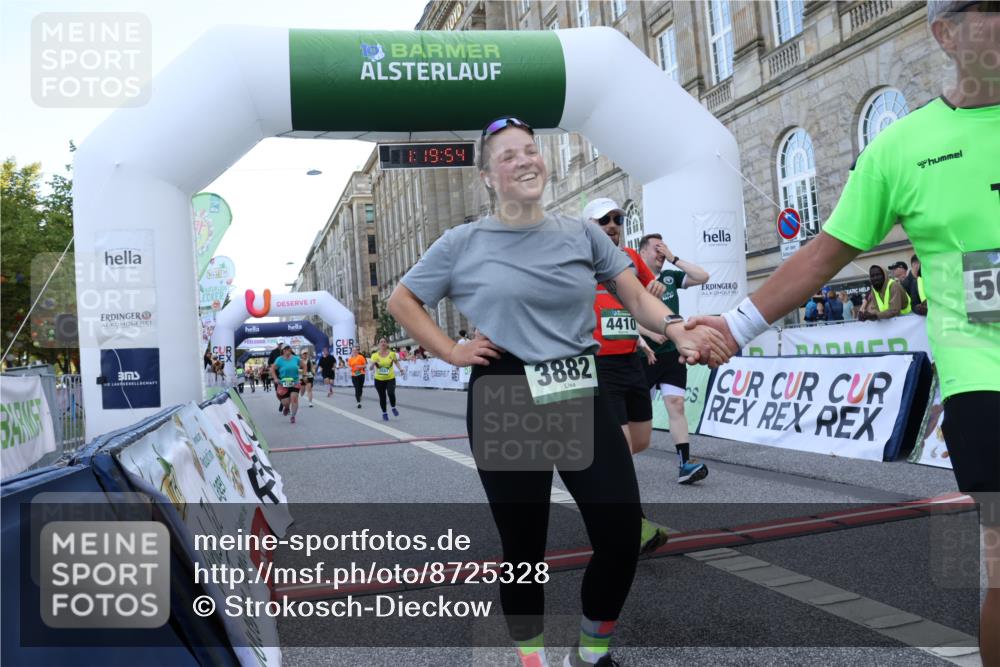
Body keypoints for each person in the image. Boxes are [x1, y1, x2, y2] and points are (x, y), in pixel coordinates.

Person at [686, 3, 999, 661]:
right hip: (984, 374)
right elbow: (823, 255)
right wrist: (737, 325)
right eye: (989, 9)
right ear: (944, 32)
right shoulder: (901, 147)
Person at [388, 116, 730, 667]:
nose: (525, 160)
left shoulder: (582, 233)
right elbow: (403, 301)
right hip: (505, 393)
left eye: (531, 150)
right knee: (525, 551)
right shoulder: (462, 242)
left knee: (621, 534)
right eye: (508, 156)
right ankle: (532, 660)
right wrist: (451, 352)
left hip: (575, 385)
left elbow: (635, 295)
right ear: (486, 178)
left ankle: (591, 655)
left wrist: (672, 327)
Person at [583, 198, 669, 554]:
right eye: (603, 220)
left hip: (631, 361)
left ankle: (596, 482)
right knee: (619, 453)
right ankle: (634, 524)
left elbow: (648, 298)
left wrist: (657, 292)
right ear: (589, 226)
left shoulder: (632, 260)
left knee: (640, 442)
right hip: (600, 366)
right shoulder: (578, 263)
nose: (613, 225)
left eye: (617, 218)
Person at [638, 232, 711, 485]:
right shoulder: (634, 280)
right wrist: (649, 333)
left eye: (663, 248)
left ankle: (684, 464)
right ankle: (614, 466)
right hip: (643, 356)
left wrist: (674, 258)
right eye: (656, 249)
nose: (660, 253)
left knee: (676, 405)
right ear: (643, 252)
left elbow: (703, 276)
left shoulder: (670, 277)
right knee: (634, 415)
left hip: (671, 355)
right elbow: (624, 316)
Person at [369, 337, 405, 421]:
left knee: (391, 393)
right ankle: (384, 413)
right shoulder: (374, 355)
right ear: (378, 345)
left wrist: (400, 369)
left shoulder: (392, 354)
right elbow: (370, 368)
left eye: (384, 342)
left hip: (390, 378)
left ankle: (393, 407)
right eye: (381, 342)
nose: (383, 343)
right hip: (379, 379)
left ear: (387, 344)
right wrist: (373, 363)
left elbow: (396, 362)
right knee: (382, 397)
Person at [271, 344, 304, 424]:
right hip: (283, 383)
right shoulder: (279, 360)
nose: (287, 350)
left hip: (294, 382)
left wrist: (304, 376)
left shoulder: (296, 358)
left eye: (288, 348)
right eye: (285, 349)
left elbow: (304, 366)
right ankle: (286, 407)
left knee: (294, 399)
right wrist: (275, 378)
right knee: (285, 402)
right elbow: (272, 369)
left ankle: (293, 416)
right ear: (283, 351)